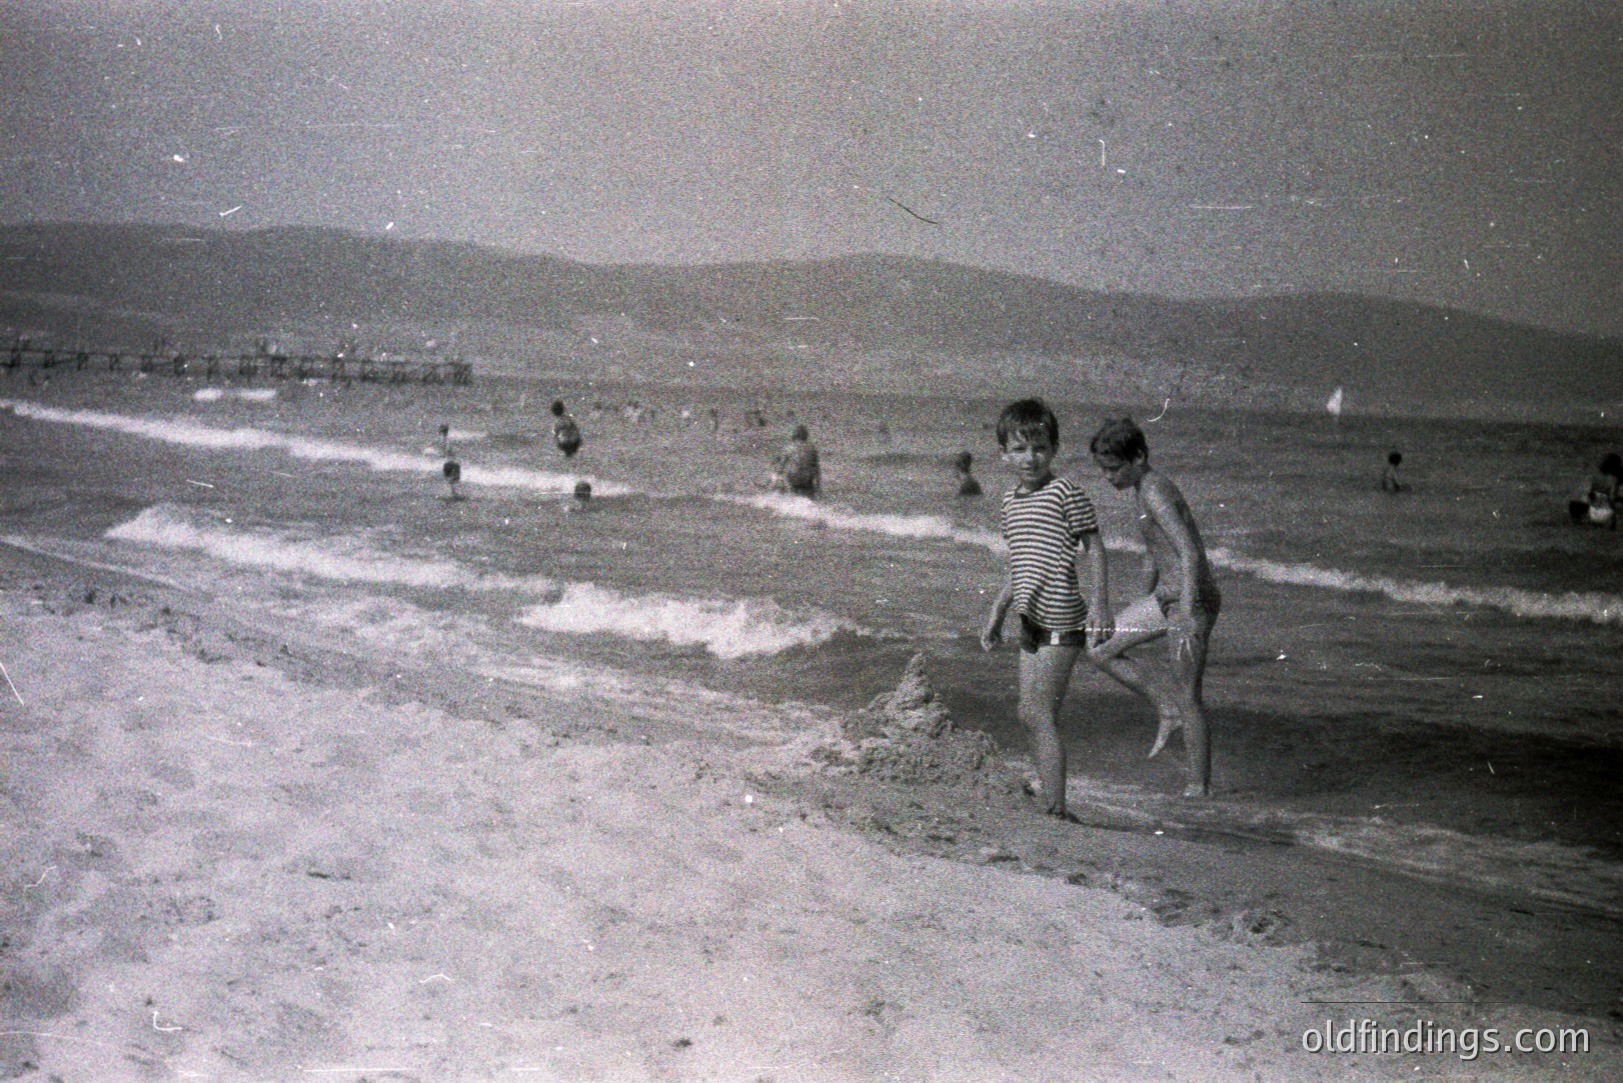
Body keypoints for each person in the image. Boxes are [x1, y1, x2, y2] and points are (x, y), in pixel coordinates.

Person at [981, 399, 1111, 819]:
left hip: (1063, 620)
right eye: (1019, 449)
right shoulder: (1009, 503)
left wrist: (1101, 604)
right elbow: (1020, 563)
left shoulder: (1065, 493)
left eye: (1039, 448)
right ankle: (1050, 796)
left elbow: (1095, 549)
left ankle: (1056, 806)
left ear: (1053, 449)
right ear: (1004, 454)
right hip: (1030, 621)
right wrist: (999, 611)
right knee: (1029, 713)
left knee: (1039, 714)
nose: (1029, 458)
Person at [1087, 418, 1221, 798]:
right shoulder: (1140, 488)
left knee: (1189, 693)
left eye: (1113, 468)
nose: (1107, 478)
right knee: (1099, 647)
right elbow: (1154, 558)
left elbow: (1189, 552)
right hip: (1166, 599)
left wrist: (1185, 617)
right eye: (1103, 469)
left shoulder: (1155, 489)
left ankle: (1198, 790)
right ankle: (1163, 708)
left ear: (1139, 457)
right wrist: (1136, 604)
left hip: (1191, 601)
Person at [773, 424, 821, 497]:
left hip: (793, 477)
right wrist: (818, 486)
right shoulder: (812, 448)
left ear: (794, 435)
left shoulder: (788, 448)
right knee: (809, 496)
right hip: (807, 478)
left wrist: (775, 481)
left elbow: (781, 467)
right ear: (806, 435)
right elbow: (816, 468)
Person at [1576, 453, 1622, 528]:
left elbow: (1585, 495)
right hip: (1606, 512)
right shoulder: (1613, 479)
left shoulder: (1594, 477)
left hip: (1594, 511)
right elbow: (1612, 497)